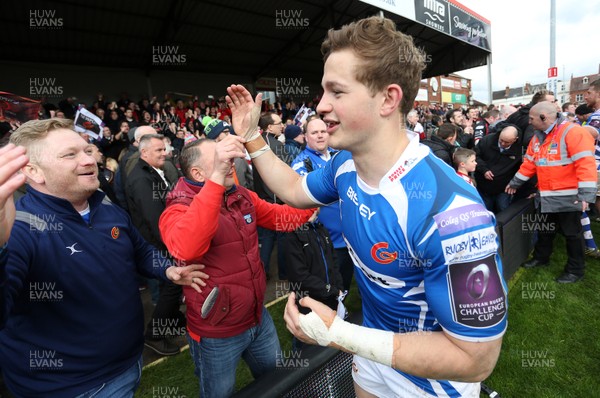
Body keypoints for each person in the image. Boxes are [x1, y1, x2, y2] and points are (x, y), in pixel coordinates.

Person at [226, 16, 506, 398]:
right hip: (373, 356)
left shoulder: (453, 213)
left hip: (430, 383)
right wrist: (251, 136)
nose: (321, 106)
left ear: (388, 99)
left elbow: (477, 360)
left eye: (336, 92)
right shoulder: (343, 163)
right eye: (323, 91)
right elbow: (293, 188)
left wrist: (339, 334)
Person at [0, 119, 207, 397]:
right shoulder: (17, 229)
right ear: (33, 171)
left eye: (87, 150)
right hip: (71, 388)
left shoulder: (104, 204)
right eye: (70, 155)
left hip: (129, 363)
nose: (88, 160)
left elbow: (140, 251)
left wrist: (167, 270)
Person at [158, 139, 314, 398]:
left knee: (278, 383)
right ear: (197, 173)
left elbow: (279, 217)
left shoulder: (239, 195)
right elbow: (187, 247)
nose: (230, 163)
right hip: (216, 333)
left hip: (257, 317)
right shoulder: (178, 206)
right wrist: (217, 180)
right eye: (219, 159)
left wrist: (315, 201)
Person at [506, 102, 596, 283]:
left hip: (569, 197)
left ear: (543, 118)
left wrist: (586, 196)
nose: (529, 122)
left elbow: (585, 164)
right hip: (546, 196)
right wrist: (515, 183)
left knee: (572, 234)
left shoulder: (573, 132)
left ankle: (575, 270)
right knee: (545, 230)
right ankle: (541, 258)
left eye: (531, 118)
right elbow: (529, 164)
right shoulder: (538, 137)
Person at [291, 118, 354, 291]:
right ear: (305, 137)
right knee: (331, 291)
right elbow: (302, 202)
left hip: (351, 238)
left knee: (347, 285)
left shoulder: (339, 156)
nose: (320, 136)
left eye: (323, 131)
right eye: (314, 132)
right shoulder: (301, 164)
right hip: (326, 244)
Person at [474, 124, 522, 213]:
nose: (503, 144)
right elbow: (476, 156)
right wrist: (484, 169)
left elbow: (522, 168)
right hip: (484, 186)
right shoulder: (487, 140)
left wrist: (515, 184)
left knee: (503, 210)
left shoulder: (520, 149)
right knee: (486, 210)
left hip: (504, 188)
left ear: (515, 140)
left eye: (507, 142)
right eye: (501, 140)